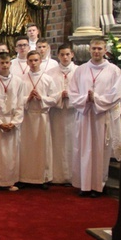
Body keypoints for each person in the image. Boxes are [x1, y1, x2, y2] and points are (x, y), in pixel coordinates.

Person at [68, 38, 121, 197]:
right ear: (89, 50)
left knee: (100, 150)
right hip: (85, 114)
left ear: (105, 50)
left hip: (101, 115)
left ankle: (99, 185)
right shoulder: (81, 70)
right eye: (94, 48)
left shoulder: (113, 70)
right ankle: (84, 185)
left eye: (99, 48)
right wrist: (86, 99)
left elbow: (116, 94)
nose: (96, 51)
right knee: (84, 149)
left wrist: (96, 99)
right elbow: (73, 92)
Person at [18, 51, 59, 188]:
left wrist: (41, 98)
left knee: (43, 148)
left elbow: (54, 99)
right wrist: (27, 98)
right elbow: (17, 100)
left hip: (42, 116)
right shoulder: (22, 79)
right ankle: (25, 177)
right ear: (27, 62)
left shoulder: (47, 79)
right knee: (26, 148)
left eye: (36, 60)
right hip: (27, 117)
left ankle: (43, 178)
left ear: (40, 61)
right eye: (30, 60)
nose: (33, 63)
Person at [0, 52, 25, 192]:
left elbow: (20, 104)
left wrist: (14, 122)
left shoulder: (18, 81)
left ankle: (10, 181)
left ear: (10, 64)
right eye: (2, 63)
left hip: (11, 119)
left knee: (11, 152)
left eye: (7, 63)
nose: (4, 65)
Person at [46, 44, 77, 185]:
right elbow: (48, 94)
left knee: (73, 143)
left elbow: (83, 91)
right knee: (57, 143)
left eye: (67, 54)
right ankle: (57, 175)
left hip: (73, 113)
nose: (65, 57)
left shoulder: (79, 71)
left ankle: (72, 175)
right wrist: (59, 96)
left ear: (72, 55)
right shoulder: (50, 73)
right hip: (57, 113)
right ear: (57, 56)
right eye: (62, 54)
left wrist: (70, 96)